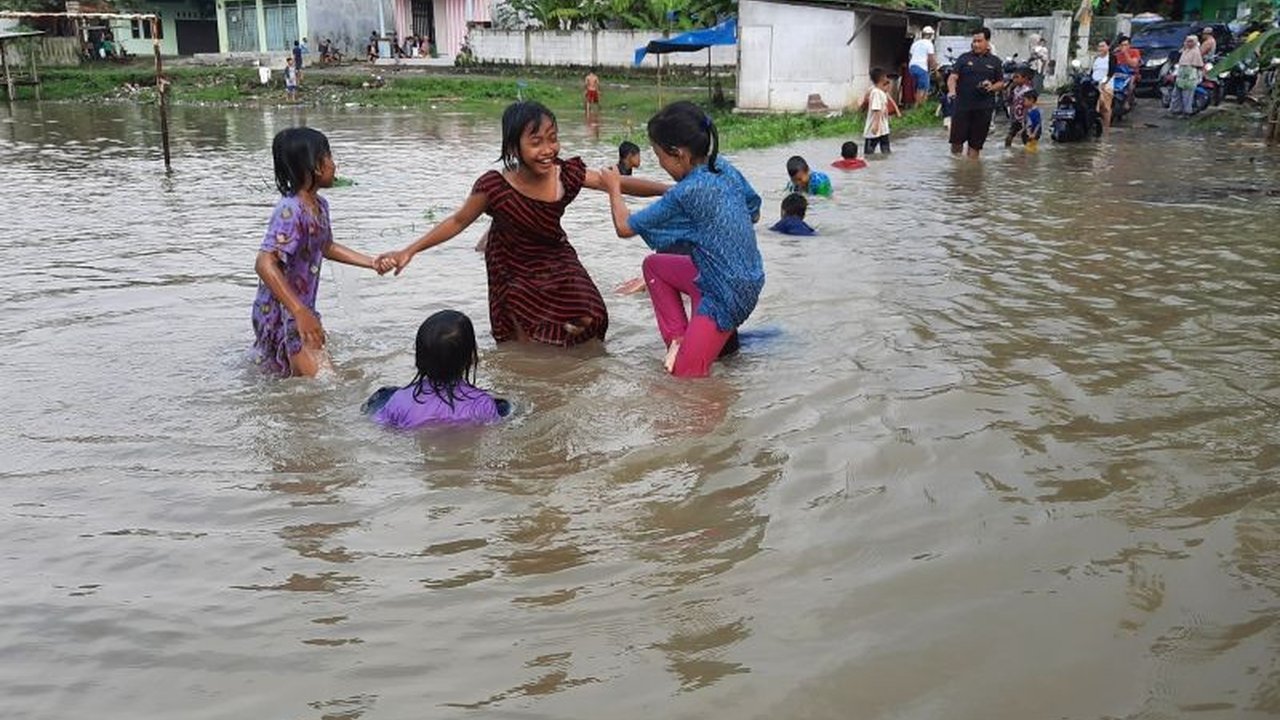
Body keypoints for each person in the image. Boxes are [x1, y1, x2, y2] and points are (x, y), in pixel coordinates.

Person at [386, 101, 666, 347]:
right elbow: (458, 221)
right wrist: (409, 250)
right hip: (509, 264)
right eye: (536, 142)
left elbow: (618, 183)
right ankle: (529, 373)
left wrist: (669, 190)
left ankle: (566, 359)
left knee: (592, 316)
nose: (547, 150)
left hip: (555, 254)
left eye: (552, 139)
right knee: (522, 336)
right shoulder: (493, 186)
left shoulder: (565, 173)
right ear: (513, 147)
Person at [598, 101, 765, 378]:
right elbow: (754, 213)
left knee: (687, 383)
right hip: (747, 276)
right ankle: (678, 339)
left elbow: (624, 227)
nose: (661, 164)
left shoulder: (686, 194)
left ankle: (686, 355)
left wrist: (614, 187)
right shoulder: (722, 168)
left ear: (679, 154)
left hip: (726, 294)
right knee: (655, 266)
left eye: (659, 156)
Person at [251, 128, 393, 378]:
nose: (334, 165)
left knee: (303, 379)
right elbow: (264, 262)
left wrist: (371, 262)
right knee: (325, 381)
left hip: (300, 307)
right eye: (329, 157)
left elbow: (326, 246)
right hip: (283, 311)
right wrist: (299, 311)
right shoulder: (290, 210)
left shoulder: (319, 205)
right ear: (315, 166)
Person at [364, 310, 511, 428]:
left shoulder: (399, 401)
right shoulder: (483, 404)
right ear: (471, 358)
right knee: (507, 407)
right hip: (463, 458)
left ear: (419, 358)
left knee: (383, 395)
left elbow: (380, 428)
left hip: (419, 452)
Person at [947, 27, 1005, 158]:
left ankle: (971, 174)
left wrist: (992, 86)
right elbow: (953, 77)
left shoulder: (995, 61)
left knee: (975, 146)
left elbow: (1001, 83)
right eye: (974, 41)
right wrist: (952, 91)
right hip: (962, 107)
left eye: (979, 41)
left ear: (987, 41)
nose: (976, 44)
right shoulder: (963, 58)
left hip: (983, 108)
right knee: (956, 143)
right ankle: (956, 170)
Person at [864, 67, 899, 155]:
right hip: (881, 129)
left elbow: (878, 110)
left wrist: (876, 126)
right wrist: (876, 125)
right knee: (884, 152)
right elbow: (877, 110)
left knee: (868, 154)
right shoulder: (877, 92)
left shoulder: (878, 92)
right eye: (886, 77)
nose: (887, 79)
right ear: (882, 78)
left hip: (876, 130)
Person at [1169, 34, 1205, 116]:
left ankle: (1187, 112)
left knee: (1187, 96)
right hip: (1181, 75)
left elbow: (1198, 65)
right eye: (1187, 41)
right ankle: (1175, 110)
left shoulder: (1195, 52)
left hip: (1190, 77)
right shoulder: (1185, 51)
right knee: (1176, 94)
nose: (1189, 43)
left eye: (1191, 41)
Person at [1004, 67, 1032, 147]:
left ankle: (1029, 154)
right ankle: (1008, 153)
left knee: (1025, 137)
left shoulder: (1027, 90)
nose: (1014, 80)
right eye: (1014, 77)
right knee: (1010, 136)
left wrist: (1026, 120)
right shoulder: (1015, 89)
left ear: (1025, 78)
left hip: (1025, 118)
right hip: (1016, 117)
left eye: (1017, 77)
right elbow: (1010, 102)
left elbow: (1029, 105)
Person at [908, 26, 937, 107]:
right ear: (931, 35)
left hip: (912, 67)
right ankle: (919, 108)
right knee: (923, 89)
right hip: (921, 68)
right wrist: (935, 68)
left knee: (918, 87)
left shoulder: (915, 43)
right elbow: (931, 58)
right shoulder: (929, 44)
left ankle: (917, 106)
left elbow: (910, 56)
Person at [1091, 40, 1115, 131]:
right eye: (1099, 46)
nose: (1100, 48)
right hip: (1094, 86)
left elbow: (1111, 72)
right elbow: (1092, 72)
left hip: (1107, 86)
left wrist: (1103, 84)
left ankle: (1106, 129)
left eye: (1103, 46)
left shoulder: (1111, 58)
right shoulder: (1096, 58)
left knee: (1105, 108)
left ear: (1108, 47)